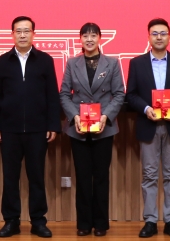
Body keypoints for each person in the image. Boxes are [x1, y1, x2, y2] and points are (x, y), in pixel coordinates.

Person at [0, 16, 61, 238]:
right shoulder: (2, 61)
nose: (22, 35)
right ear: (12, 34)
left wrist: (53, 124)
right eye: (18, 31)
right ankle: (11, 221)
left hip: (38, 129)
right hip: (9, 129)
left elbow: (52, 96)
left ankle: (38, 221)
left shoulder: (45, 60)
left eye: (26, 31)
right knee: (10, 178)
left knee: (37, 177)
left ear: (33, 34)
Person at [126, 18, 170, 238]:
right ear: (148, 37)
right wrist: (146, 108)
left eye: (163, 33)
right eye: (155, 33)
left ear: (169, 37)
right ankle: (150, 221)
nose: (159, 37)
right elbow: (131, 95)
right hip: (148, 123)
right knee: (149, 175)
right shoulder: (137, 63)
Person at [59, 23, 125, 237]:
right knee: (83, 176)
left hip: (104, 128)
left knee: (101, 177)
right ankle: (84, 223)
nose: (89, 39)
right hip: (78, 128)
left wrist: (105, 116)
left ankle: (101, 224)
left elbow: (119, 94)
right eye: (85, 36)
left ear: (100, 38)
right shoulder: (72, 63)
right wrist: (75, 116)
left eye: (93, 35)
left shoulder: (112, 63)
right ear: (80, 39)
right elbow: (64, 94)